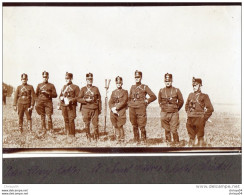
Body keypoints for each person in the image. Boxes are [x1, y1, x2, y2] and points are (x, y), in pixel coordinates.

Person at [128, 70, 157, 144]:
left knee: (141, 125)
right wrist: (129, 104)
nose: (137, 78)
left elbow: (153, 96)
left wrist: (147, 101)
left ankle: (143, 140)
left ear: (141, 77)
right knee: (134, 124)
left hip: (141, 108)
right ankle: (136, 139)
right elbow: (129, 97)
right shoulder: (132, 87)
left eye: (138, 77)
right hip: (132, 108)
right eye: (136, 77)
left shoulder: (144, 87)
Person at [185, 77, 214, 147]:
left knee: (200, 138)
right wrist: (189, 113)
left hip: (199, 119)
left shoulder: (204, 96)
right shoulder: (190, 95)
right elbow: (186, 106)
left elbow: (210, 109)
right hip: (190, 119)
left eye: (196, 85)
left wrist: (204, 118)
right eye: (193, 85)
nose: (194, 87)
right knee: (191, 138)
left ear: (200, 85)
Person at [158, 73, 184, 146]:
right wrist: (163, 108)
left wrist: (176, 108)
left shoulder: (176, 90)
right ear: (164, 81)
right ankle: (168, 143)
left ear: (172, 80)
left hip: (174, 113)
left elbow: (181, 101)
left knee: (174, 129)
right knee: (166, 128)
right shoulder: (161, 90)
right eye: (166, 81)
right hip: (164, 112)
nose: (167, 82)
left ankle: (176, 143)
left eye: (169, 80)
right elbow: (159, 101)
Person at [77, 73, 102, 141]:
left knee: (95, 124)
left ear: (92, 80)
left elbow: (99, 99)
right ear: (86, 80)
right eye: (88, 79)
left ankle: (96, 136)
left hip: (94, 108)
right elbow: (78, 99)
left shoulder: (96, 89)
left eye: (91, 79)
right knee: (87, 123)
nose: (89, 81)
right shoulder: (83, 89)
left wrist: (99, 109)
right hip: (85, 109)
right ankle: (88, 136)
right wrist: (85, 100)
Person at [35, 71, 57, 135]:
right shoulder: (39, 85)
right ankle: (43, 129)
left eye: (46, 77)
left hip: (48, 103)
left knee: (49, 116)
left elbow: (55, 95)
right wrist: (37, 102)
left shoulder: (51, 85)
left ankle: (50, 129)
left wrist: (48, 93)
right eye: (44, 77)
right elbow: (36, 95)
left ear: (48, 77)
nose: (45, 78)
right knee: (42, 116)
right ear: (42, 77)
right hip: (41, 103)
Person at [59, 72, 80, 139]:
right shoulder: (63, 87)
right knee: (66, 119)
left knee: (71, 120)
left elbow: (78, 97)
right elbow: (60, 96)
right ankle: (67, 134)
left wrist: (71, 100)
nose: (67, 80)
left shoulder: (75, 87)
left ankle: (72, 135)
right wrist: (61, 98)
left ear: (71, 78)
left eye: (68, 78)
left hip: (71, 106)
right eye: (66, 78)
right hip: (64, 106)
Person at [109, 76, 128, 142]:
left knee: (120, 125)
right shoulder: (113, 92)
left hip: (121, 111)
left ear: (122, 83)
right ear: (116, 83)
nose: (118, 84)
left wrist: (116, 108)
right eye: (117, 83)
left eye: (120, 83)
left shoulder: (125, 92)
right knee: (115, 125)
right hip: (114, 111)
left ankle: (122, 139)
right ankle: (117, 139)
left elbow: (124, 101)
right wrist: (112, 108)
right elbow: (110, 102)